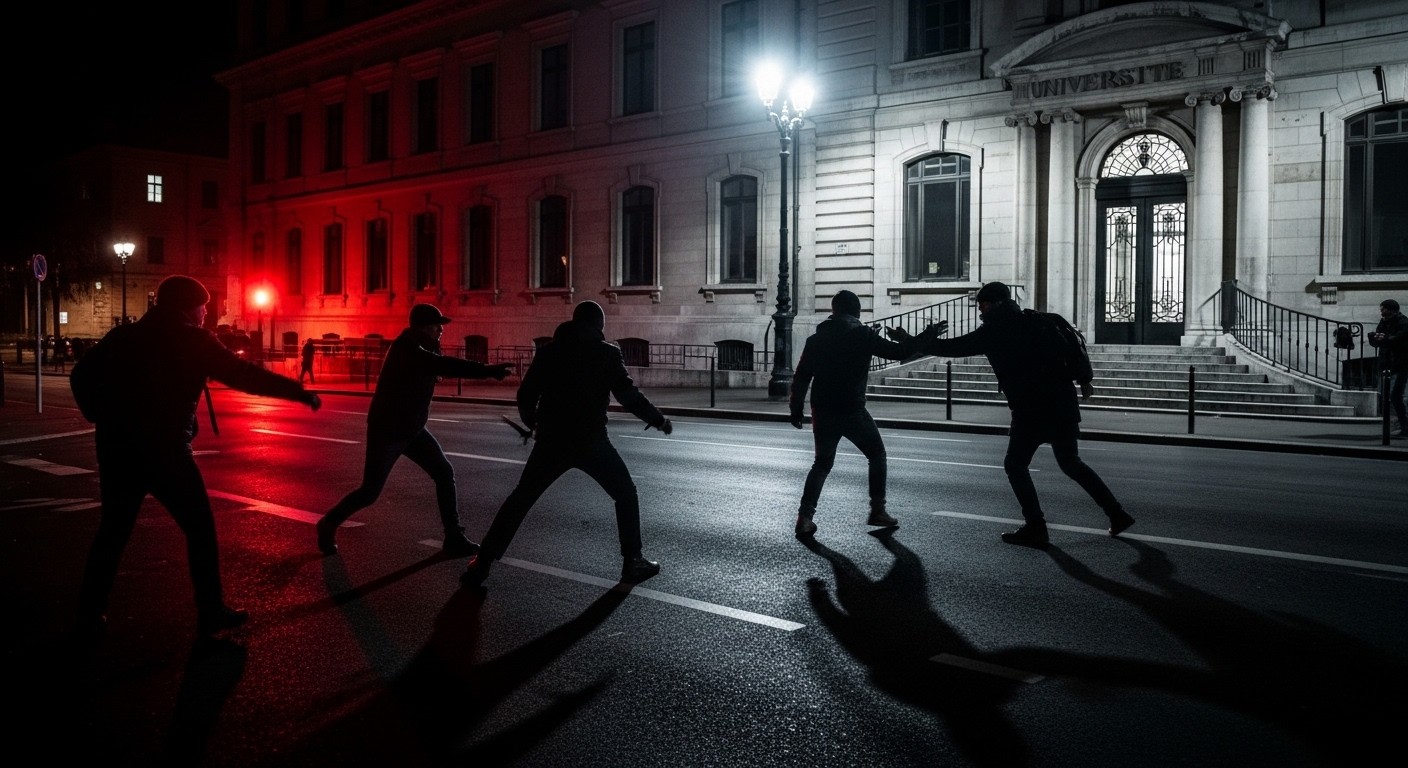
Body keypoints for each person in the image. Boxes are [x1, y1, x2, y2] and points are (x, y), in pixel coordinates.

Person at [70, 275, 323, 639]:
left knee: (113, 532)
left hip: (117, 447)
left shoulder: (124, 335)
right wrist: (296, 392)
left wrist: (97, 414)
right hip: (165, 450)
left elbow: (81, 375)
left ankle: (89, 614)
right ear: (187, 307)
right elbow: (244, 375)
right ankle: (210, 608)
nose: (206, 312)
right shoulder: (193, 339)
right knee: (200, 528)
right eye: (203, 306)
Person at [888, 281, 1133, 547]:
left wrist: (911, 340)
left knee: (1015, 465)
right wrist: (1085, 379)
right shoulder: (1036, 321)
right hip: (1061, 403)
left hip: (1031, 409)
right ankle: (1117, 513)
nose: (980, 309)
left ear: (996, 304)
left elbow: (952, 348)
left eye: (983, 303)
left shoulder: (995, 331)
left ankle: (1036, 526)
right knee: (1071, 462)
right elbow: (1071, 346)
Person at [461, 300, 673, 587]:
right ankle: (632, 561)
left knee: (520, 500)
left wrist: (532, 423)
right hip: (592, 442)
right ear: (598, 325)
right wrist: (657, 419)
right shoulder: (607, 354)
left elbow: (526, 395)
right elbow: (628, 395)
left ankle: (482, 562)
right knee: (625, 494)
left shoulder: (549, 352)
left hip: (551, 441)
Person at [317, 303, 513, 555]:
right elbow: (445, 365)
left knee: (443, 472)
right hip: (388, 431)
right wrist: (486, 370)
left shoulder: (422, 346)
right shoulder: (407, 350)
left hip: (412, 429)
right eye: (436, 326)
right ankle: (328, 523)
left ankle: (453, 536)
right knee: (370, 492)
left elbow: (440, 365)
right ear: (422, 327)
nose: (440, 331)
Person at [789, 290, 927, 537]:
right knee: (877, 454)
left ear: (834, 311)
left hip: (822, 409)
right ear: (857, 312)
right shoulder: (862, 334)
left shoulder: (816, 338)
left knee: (821, 464)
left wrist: (796, 409)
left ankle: (804, 518)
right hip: (851, 409)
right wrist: (910, 338)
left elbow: (801, 377)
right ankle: (877, 510)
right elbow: (898, 353)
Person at [1368, 298, 1408, 438]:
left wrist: (1385, 339)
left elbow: (1398, 339)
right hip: (1387, 363)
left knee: (1396, 396)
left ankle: (1403, 425)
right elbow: (1380, 340)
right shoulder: (1384, 321)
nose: (1381, 312)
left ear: (1392, 310)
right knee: (1389, 396)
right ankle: (1400, 426)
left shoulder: (1404, 322)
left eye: (1383, 309)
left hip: (1401, 365)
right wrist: (1374, 338)